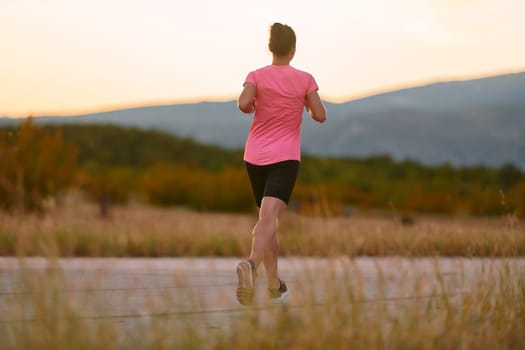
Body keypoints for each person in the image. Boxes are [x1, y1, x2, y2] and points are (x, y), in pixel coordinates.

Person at [236, 22, 327, 305]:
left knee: (268, 221)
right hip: (285, 157)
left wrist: (254, 104)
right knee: (268, 220)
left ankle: (275, 287)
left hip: (254, 157)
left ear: (270, 48)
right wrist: (308, 107)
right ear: (293, 49)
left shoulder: (256, 75)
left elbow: (243, 103)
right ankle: (250, 265)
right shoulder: (305, 79)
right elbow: (321, 115)